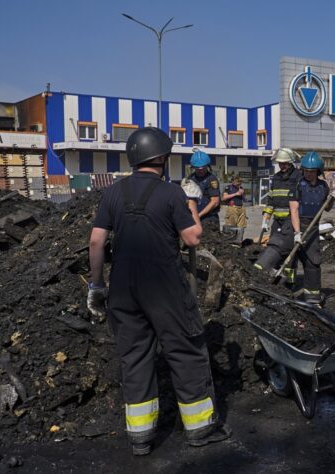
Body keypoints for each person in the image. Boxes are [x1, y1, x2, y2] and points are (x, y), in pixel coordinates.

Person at [86, 127, 231, 456]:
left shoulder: (113, 193)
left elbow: (96, 242)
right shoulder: (171, 193)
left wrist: (97, 285)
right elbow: (193, 238)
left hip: (123, 287)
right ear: (163, 158)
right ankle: (200, 429)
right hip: (164, 285)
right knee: (186, 350)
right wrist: (191, 202)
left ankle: (140, 438)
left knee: (135, 358)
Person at [289, 151, 335, 305]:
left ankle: (312, 298)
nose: (308, 174)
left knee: (313, 263)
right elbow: (294, 210)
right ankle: (285, 292)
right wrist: (297, 233)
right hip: (298, 224)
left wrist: (332, 198)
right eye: (306, 171)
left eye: (312, 171)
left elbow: (327, 208)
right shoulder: (298, 184)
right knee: (290, 261)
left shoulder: (323, 186)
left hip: (313, 227)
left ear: (318, 171)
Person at [253, 148, 302, 285]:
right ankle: (276, 278)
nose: (282, 166)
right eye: (280, 163)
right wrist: (266, 219)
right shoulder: (276, 177)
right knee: (274, 246)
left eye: (285, 163)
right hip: (277, 221)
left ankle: (289, 281)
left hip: (290, 219)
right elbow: (271, 199)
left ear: (291, 162)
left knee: (289, 251)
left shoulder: (298, 176)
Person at [187, 150, 220, 238]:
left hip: (208, 219)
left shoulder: (211, 179)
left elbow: (215, 201)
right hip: (193, 219)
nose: (200, 170)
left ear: (207, 166)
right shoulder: (190, 178)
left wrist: (198, 215)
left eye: (202, 168)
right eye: (197, 168)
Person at [222, 175, 247, 239]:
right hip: (232, 208)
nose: (239, 183)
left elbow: (245, 200)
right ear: (233, 181)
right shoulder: (228, 187)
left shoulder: (241, 188)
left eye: (240, 182)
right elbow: (224, 198)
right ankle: (231, 241)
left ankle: (239, 240)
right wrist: (235, 194)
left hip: (241, 208)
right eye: (237, 181)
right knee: (231, 226)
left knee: (241, 226)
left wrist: (243, 194)